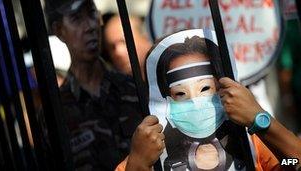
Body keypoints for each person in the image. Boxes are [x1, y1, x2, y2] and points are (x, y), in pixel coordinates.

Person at [116, 29, 283, 171]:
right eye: (180, 94)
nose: (195, 103)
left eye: (205, 89)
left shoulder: (252, 143)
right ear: (163, 100)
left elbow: (295, 161)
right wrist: (137, 164)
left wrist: (262, 119)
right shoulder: (146, 156)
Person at [44, 0, 143, 170]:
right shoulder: (54, 115)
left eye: (91, 13)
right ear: (59, 31)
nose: (90, 26)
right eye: (76, 18)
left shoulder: (134, 89)